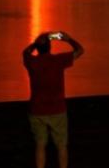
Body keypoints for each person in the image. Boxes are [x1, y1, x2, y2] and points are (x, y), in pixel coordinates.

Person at [22, 31, 85, 168]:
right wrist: (68, 39)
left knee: (40, 145)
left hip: (37, 110)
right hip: (57, 109)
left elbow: (25, 52)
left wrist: (37, 43)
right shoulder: (58, 61)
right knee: (61, 145)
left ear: (38, 48)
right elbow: (80, 50)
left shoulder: (32, 62)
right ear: (50, 47)